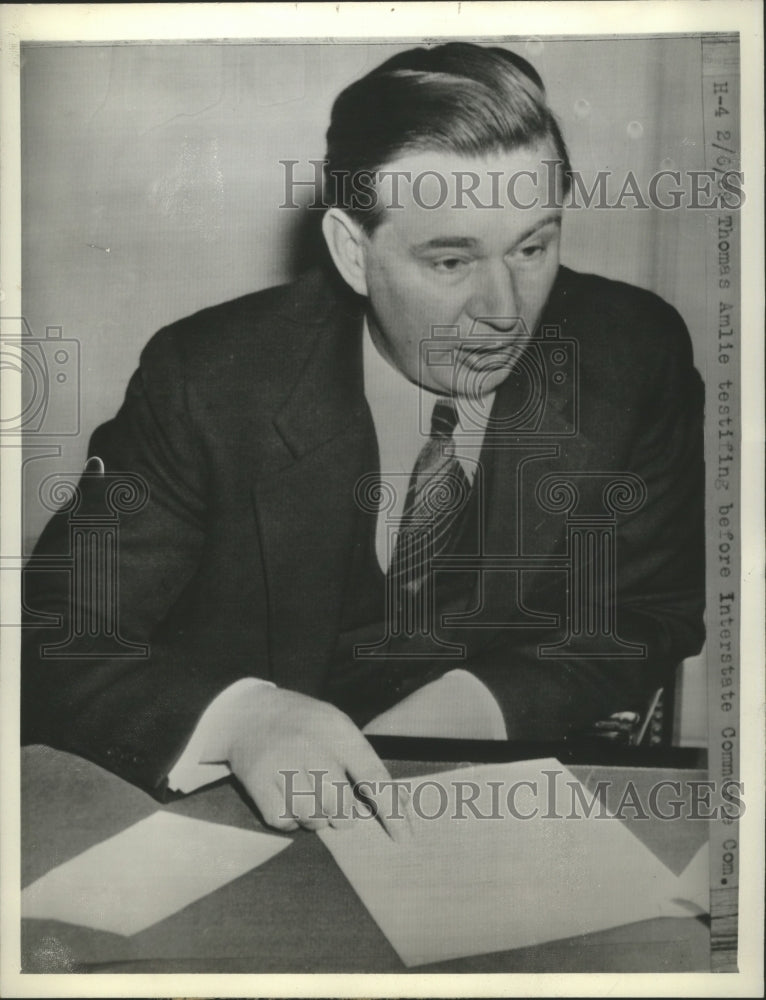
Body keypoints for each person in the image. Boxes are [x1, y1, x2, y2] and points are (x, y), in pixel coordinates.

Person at [21, 42, 705, 834]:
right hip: (236, 826)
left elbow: (652, 611)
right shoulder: (207, 379)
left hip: (497, 815)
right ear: (353, 251)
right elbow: (54, 631)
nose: (507, 310)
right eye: (451, 259)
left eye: (533, 246)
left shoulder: (635, 351)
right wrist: (241, 720)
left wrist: (480, 706)